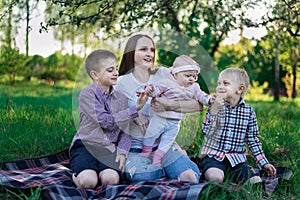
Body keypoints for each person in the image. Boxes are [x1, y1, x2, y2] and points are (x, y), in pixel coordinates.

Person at [116, 34, 203, 183]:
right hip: (136, 148)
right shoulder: (120, 82)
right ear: (131, 52)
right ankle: (166, 168)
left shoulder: (165, 74)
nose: (149, 54)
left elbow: (198, 105)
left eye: (152, 50)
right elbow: (114, 117)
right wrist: (135, 116)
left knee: (190, 177)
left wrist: (170, 105)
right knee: (141, 176)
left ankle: (169, 162)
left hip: (164, 145)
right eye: (143, 49)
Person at [69, 49, 150, 189]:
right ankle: (76, 176)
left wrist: (123, 152)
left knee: (111, 179)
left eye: (116, 69)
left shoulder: (120, 97)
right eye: (110, 70)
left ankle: (99, 175)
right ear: (94, 75)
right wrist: (135, 109)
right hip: (86, 146)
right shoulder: (87, 94)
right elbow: (105, 121)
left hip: (109, 149)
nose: (116, 73)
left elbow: (125, 130)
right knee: (88, 182)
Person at [200, 68, 276, 184]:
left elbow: (253, 140)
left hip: (237, 160)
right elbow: (206, 131)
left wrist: (263, 163)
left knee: (255, 180)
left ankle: (236, 180)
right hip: (214, 157)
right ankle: (217, 185)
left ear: (240, 89)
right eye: (218, 83)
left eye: (225, 83)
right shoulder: (214, 107)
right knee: (215, 178)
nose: (219, 87)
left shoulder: (248, 112)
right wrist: (213, 112)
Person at [139, 55, 212, 166]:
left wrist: (210, 100)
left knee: (167, 142)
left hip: (175, 123)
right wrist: (150, 90)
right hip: (160, 118)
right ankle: (146, 152)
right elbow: (157, 91)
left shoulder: (194, 87)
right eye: (188, 76)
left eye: (194, 76)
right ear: (176, 74)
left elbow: (201, 97)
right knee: (151, 134)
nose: (192, 79)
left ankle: (157, 158)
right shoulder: (167, 83)